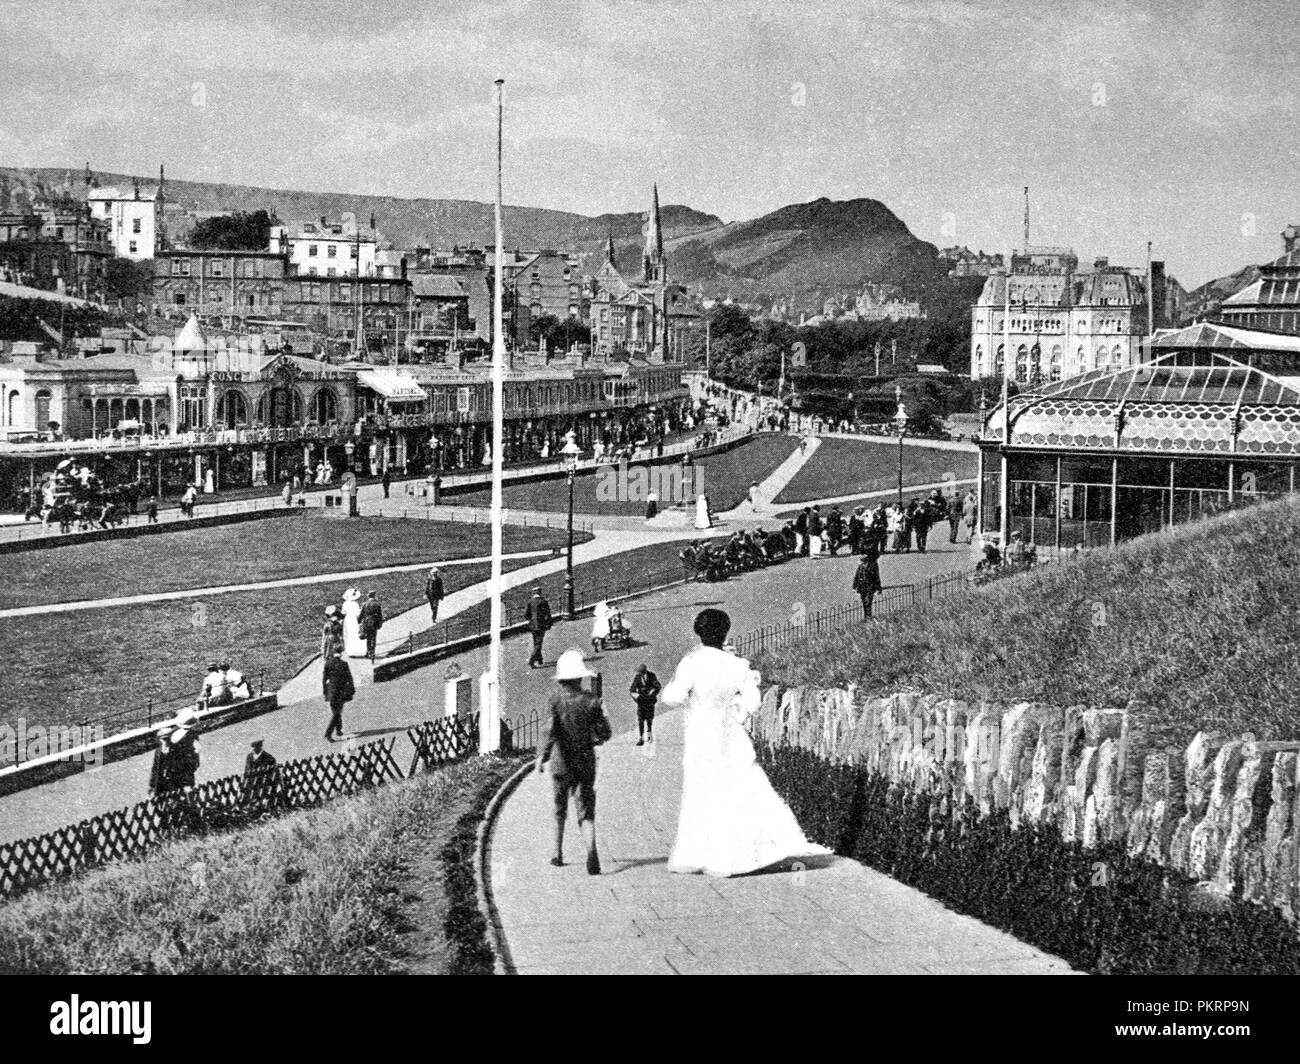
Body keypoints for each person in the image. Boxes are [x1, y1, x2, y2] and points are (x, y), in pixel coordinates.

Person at [660, 609, 829, 877]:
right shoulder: (737, 665)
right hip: (729, 733)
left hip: (701, 736)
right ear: (725, 632)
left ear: (699, 633)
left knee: (702, 791)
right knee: (740, 786)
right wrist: (736, 712)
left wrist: (686, 695)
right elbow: (753, 701)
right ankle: (745, 852)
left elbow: (671, 697)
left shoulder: (691, 662)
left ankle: (701, 854)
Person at [536, 649, 611, 873]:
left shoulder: (555, 701)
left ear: (561, 680)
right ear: (580, 678)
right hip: (585, 760)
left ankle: (557, 853)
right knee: (586, 808)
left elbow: (549, 730)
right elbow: (605, 733)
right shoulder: (592, 701)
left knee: (559, 807)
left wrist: (541, 756)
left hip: (562, 761)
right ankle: (591, 850)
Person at [322, 653, 355, 741]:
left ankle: (338, 729)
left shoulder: (328, 663)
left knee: (336, 711)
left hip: (331, 692)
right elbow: (349, 678)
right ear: (340, 655)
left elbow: (324, 679)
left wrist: (325, 692)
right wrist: (352, 690)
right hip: (341, 692)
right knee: (337, 712)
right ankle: (328, 733)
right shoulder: (344, 664)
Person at [242, 740, 281, 809]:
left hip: (263, 782)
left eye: (257, 746)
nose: (255, 748)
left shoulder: (268, 757)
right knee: (250, 796)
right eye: (254, 746)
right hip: (251, 782)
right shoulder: (250, 756)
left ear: (260, 746)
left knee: (261, 796)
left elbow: (273, 771)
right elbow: (247, 769)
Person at [630, 663, 662, 746]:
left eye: (641, 673)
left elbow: (658, 686)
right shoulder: (637, 677)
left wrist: (652, 693)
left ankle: (649, 735)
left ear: (645, 671)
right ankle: (641, 738)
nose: (640, 674)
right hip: (641, 702)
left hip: (650, 701)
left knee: (649, 719)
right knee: (640, 720)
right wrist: (637, 697)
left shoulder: (652, 675)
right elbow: (632, 689)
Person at [852, 545, 883, 618]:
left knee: (868, 601)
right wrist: (854, 586)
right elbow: (857, 576)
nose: (862, 556)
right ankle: (866, 615)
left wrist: (878, 587)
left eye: (864, 555)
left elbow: (876, 576)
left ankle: (868, 616)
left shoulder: (874, 565)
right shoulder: (861, 565)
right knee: (864, 601)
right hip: (862, 585)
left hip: (870, 585)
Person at [525, 587, 553, 668]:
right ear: (540, 593)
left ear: (533, 593)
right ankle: (532, 660)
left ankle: (539, 659)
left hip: (533, 625)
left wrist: (531, 620)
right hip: (541, 625)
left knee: (536, 642)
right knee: (538, 643)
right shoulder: (543, 602)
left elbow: (526, 614)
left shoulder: (530, 602)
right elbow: (548, 614)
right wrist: (549, 624)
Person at [359, 591, 384, 662]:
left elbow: (361, 614)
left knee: (368, 638)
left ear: (368, 596)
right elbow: (380, 615)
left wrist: (359, 622)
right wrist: (380, 623)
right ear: (374, 596)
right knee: (373, 638)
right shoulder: (377, 604)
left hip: (366, 623)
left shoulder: (364, 604)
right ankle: (372, 653)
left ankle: (368, 652)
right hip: (374, 623)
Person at [341, 587, 365, 657]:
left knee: (348, 635)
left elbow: (343, 612)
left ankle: (349, 651)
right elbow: (358, 614)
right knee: (354, 634)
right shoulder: (355, 604)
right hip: (353, 620)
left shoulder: (345, 604)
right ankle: (356, 650)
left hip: (347, 619)